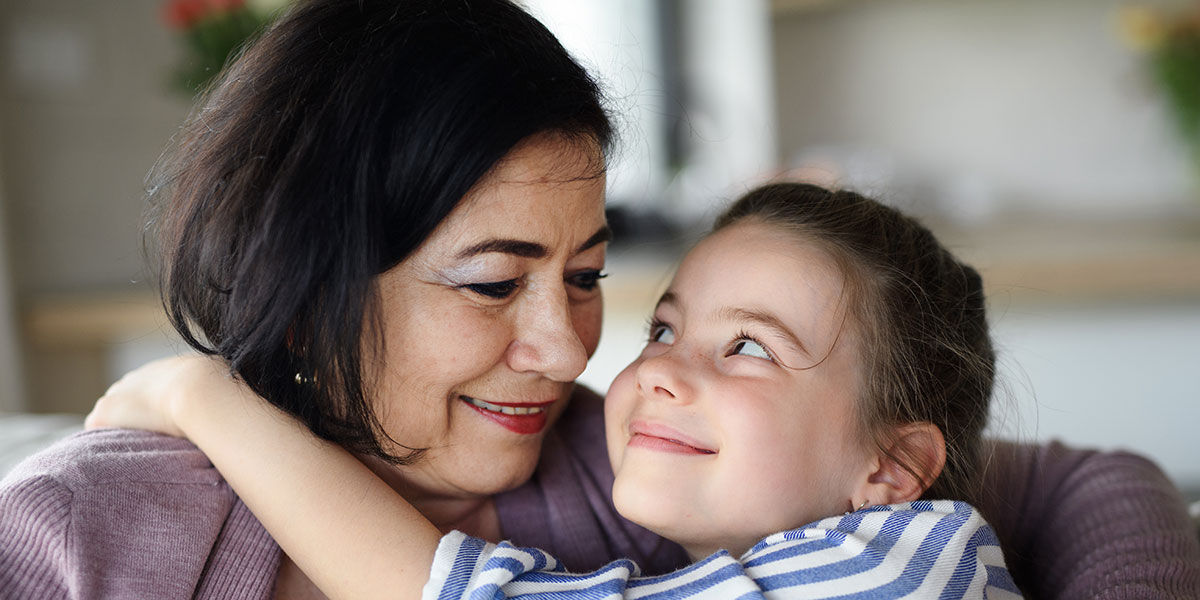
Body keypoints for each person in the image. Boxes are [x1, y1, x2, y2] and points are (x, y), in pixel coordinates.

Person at [2, 0, 1198, 597]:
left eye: (585, 278)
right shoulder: (86, 534)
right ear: (306, 294)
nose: (564, 346)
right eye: (490, 281)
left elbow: (1083, 479)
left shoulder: (648, 472)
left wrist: (190, 388)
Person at [87, 183, 1023, 598]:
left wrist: (201, 398)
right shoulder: (85, 525)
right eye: (662, 329)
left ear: (896, 466)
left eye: (746, 347)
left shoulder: (900, 572)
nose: (648, 367)